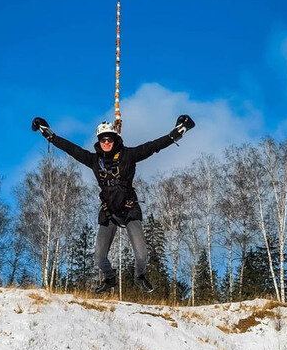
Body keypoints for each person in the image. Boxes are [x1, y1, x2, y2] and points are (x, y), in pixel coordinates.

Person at [31, 115, 195, 294]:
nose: (106, 142)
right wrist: (49, 135)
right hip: (109, 212)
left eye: (109, 139)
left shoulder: (129, 155)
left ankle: (139, 276)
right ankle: (109, 278)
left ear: (115, 139)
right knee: (99, 257)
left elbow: (153, 146)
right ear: (99, 141)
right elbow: (72, 149)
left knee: (142, 256)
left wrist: (176, 133)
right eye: (103, 139)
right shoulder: (94, 161)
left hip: (129, 209)